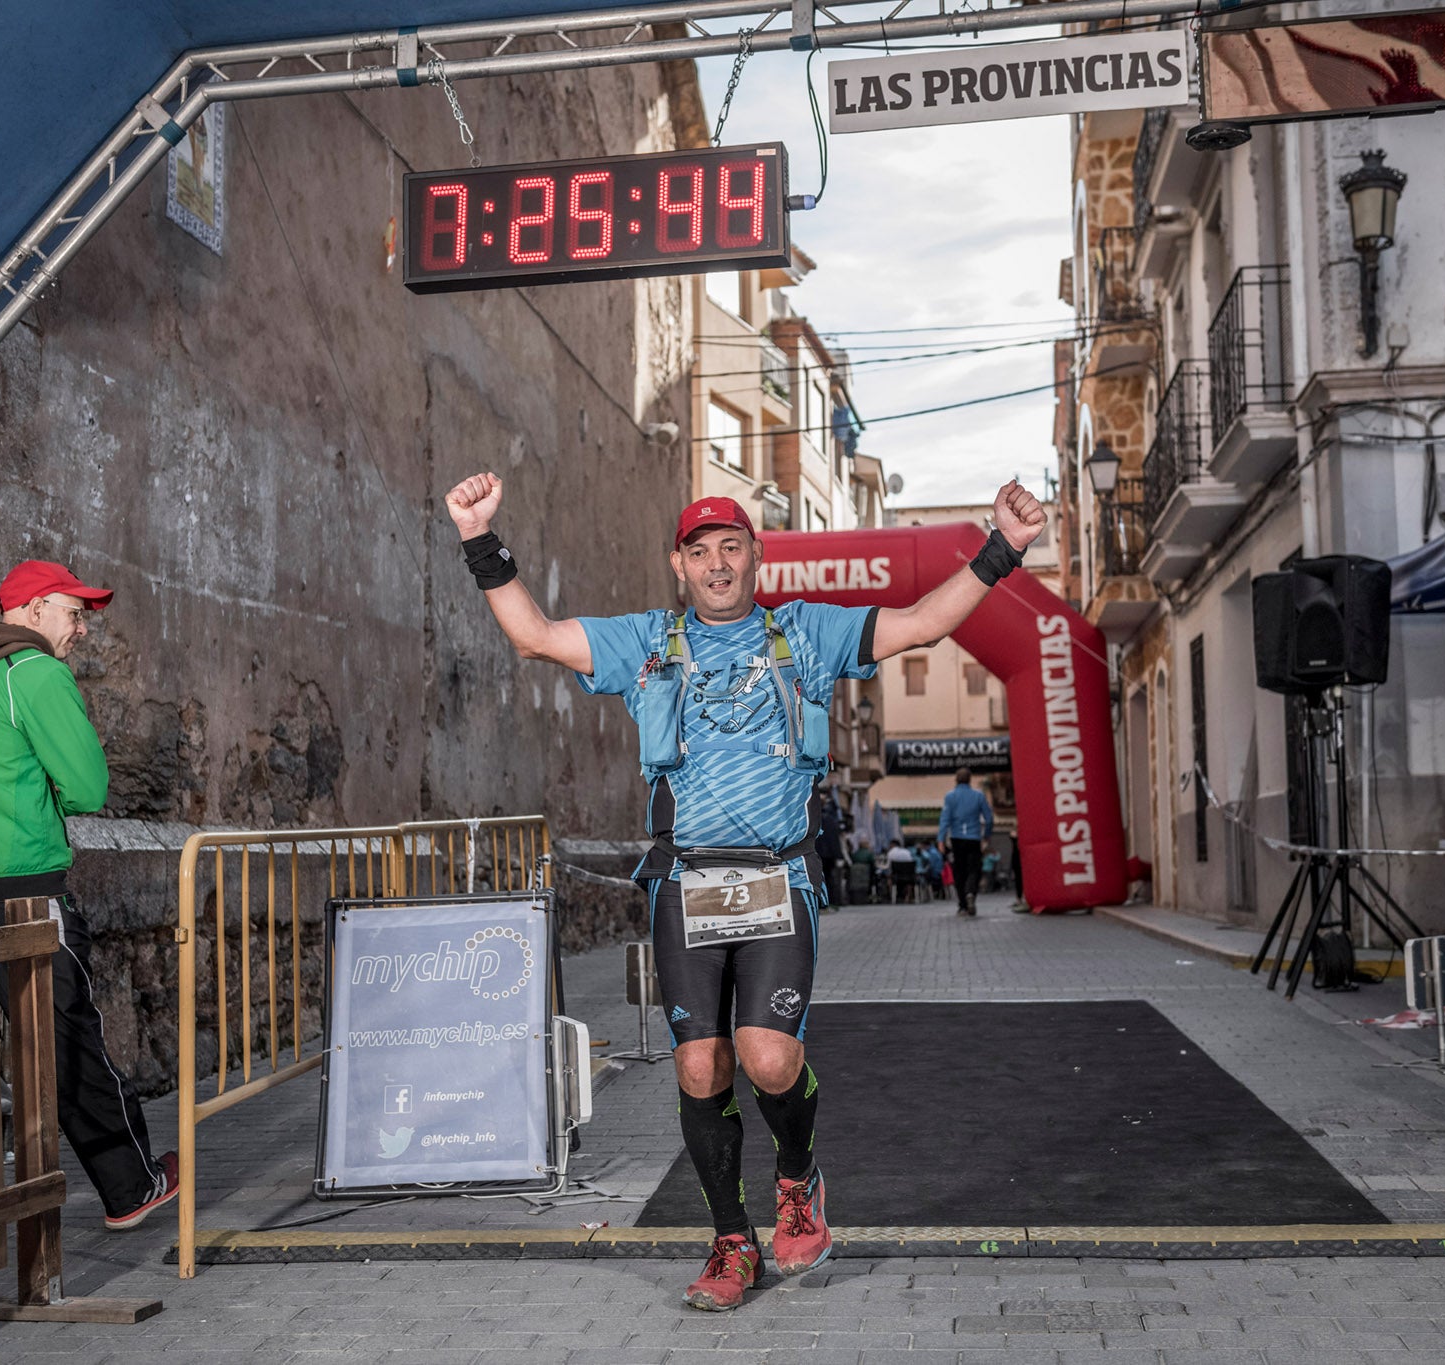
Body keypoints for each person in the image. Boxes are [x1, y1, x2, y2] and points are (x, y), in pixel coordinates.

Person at [446, 473, 1045, 1310]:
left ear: (756, 557)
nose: (719, 563)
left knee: (769, 1058)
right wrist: (481, 538)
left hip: (777, 878)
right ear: (679, 565)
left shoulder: (806, 630)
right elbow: (536, 635)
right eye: (702, 551)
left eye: (733, 547)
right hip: (686, 885)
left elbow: (920, 623)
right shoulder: (649, 642)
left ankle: (798, 1178)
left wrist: (1003, 547)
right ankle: (732, 1242)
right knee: (699, 1065)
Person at [0, 560, 177, 1239]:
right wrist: (51, 788)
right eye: (73, 611)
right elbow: (89, 787)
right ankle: (130, 1187)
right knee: (67, 1047)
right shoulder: (34, 673)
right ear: (33, 611)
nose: (81, 628)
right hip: (25, 895)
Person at [938, 766, 995, 917]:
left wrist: (941, 840)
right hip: (973, 838)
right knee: (974, 869)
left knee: (959, 871)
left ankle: (962, 905)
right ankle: (971, 893)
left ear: (956, 779)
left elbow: (945, 819)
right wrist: (987, 835)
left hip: (956, 838)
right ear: (970, 779)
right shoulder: (979, 795)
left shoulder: (950, 796)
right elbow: (988, 818)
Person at [814, 789, 847, 911]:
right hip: (828, 855)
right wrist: (838, 855)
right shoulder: (830, 819)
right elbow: (834, 839)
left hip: (816, 854)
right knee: (829, 878)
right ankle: (829, 902)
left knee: (818, 878)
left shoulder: (813, 818)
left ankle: (820, 903)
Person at [885, 839, 917, 903]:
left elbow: (888, 866)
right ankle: (907, 897)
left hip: (896, 877)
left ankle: (893, 897)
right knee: (910, 879)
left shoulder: (890, 853)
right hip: (909, 877)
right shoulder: (907, 852)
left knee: (888, 878)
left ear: (892, 845)